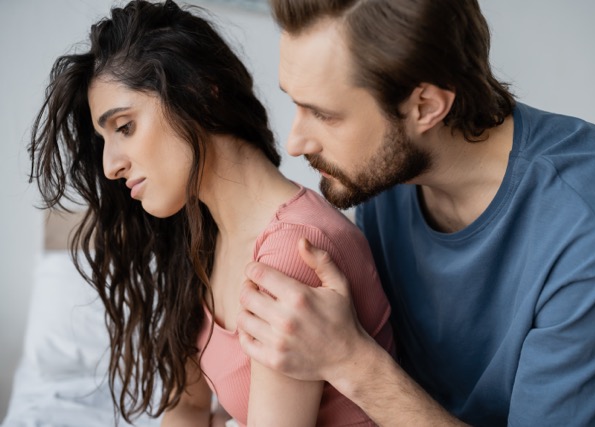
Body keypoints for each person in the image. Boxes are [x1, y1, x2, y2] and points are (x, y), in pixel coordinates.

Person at [236, 0, 595, 425]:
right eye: (296, 105)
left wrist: (348, 360)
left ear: (426, 107)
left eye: (324, 115)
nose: (296, 143)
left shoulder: (589, 223)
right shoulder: (383, 177)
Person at [27, 1, 394, 426]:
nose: (111, 165)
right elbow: (187, 407)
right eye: (105, 139)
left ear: (199, 92)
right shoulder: (204, 241)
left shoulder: (294, 252)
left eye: (125, 127)